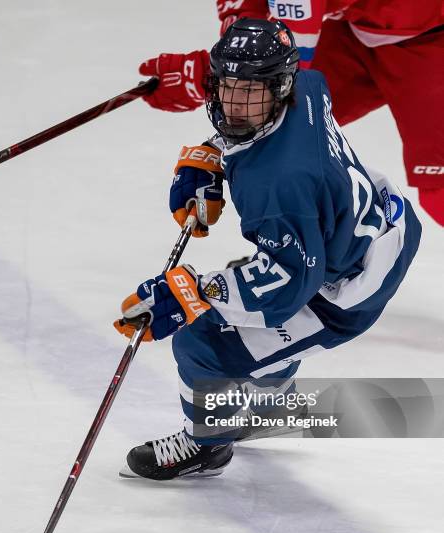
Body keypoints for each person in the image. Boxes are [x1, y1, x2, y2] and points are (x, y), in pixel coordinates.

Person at [116, 19, 421, 480]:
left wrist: (198, 291)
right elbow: (269, 141)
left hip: (344, 288)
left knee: (204, 339)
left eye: (251, 92)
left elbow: (286, 291)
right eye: (229, 87)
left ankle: (205, 446)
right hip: (375, 226)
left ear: (278, 88)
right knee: (252, 313)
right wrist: (215, 154)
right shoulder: (308, 86)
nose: (236, 105)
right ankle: (265, 402)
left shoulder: (281, 186)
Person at [138, 0, 444, 225]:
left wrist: (211, 78)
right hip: (359, 29)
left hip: (433, 39)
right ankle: (298, 254)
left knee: (439, 193)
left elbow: (282, 78)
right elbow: (252, 26)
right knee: (282, 128)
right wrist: (218, 74)